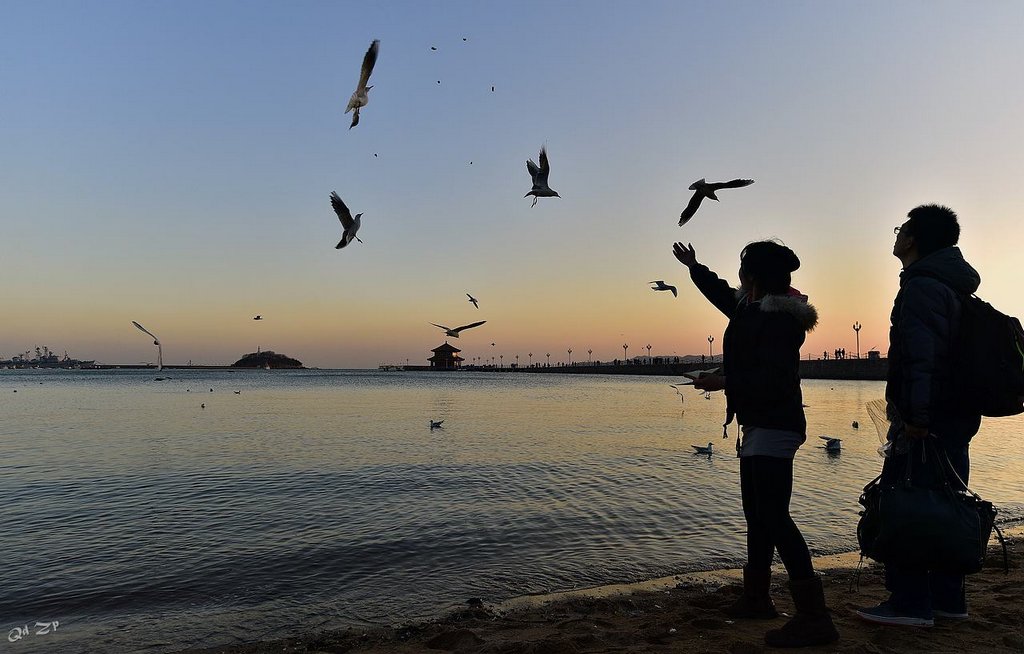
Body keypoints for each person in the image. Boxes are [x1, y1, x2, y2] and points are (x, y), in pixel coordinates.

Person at [673, 239, 838, 647]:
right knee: (756, 514)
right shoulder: (752, 307)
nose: (740, 278)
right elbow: (720, 293)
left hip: (777, 424)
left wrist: (723, 381)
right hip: (758, 423)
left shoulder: (780, 319)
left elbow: (775, 379)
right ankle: (757, 598)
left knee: (774, 515)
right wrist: (695, 267)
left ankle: (814, 617)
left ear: (755, 278)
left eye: (744, 271)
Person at [854, 204, 982, 627]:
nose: (895, 236)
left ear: (912, 239)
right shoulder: (954, 285)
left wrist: (916, 418)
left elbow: (921, 358)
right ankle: (948, 599)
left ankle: (910, 603)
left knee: (908, 506)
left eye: (900, 230)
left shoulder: (922, 286)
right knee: (944, 505)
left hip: (928, 420)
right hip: (957, 417)